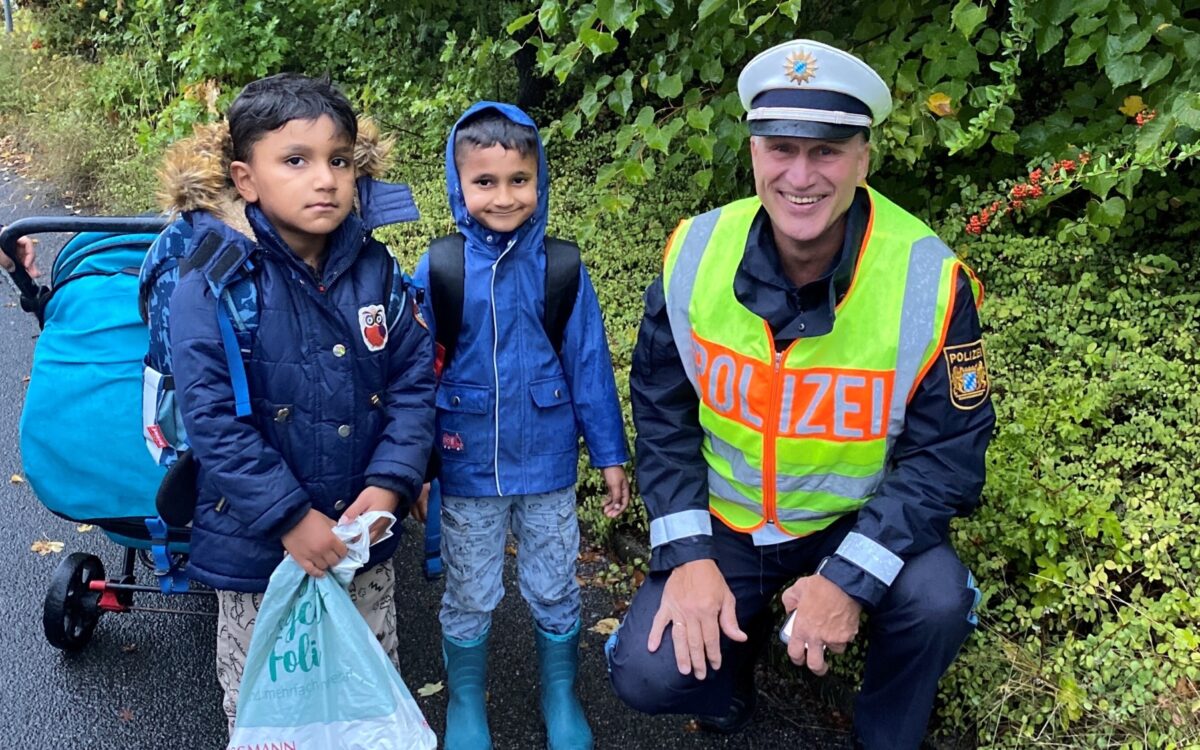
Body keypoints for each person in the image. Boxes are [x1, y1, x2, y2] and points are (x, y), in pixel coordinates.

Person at [607, 40, 993, 750]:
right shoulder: (693, 252)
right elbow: (662, 413)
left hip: (859, 521)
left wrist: (848, 578)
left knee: (938, 601)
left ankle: (885, 736)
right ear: (753, 153)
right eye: (781, 148)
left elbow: (949, 457)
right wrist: (689, 556)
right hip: (730, 525)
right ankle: (727, 684)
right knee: (645, 673)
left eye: (828, 151)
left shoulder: (929, 279)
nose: (801, 175)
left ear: (864, 159)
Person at [163, 73, 435, 731]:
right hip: (259, 551)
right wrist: (287, 517)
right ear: (246, 177)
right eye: (296, 160)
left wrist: (392, 482)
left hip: (358, 539)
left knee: (366, 695)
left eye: (339, 160)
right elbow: (213, 420)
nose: (326, 179)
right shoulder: (215, 283)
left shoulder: (377, 271)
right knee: (270, 709)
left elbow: (412, 383)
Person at [411, 102, 631, 750]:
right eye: (484, 181)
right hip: (467, 458)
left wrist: (610, 455)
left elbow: (588, 364)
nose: (503, 197)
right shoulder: (442, 266)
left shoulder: (561, 267)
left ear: (541, 182)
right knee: (471, 587)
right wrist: (418, 466)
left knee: (553, 582)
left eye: (518, 180)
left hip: (548, 463)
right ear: (458, 184)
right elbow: (419, 371)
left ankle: (560, 693)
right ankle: (467, 702)